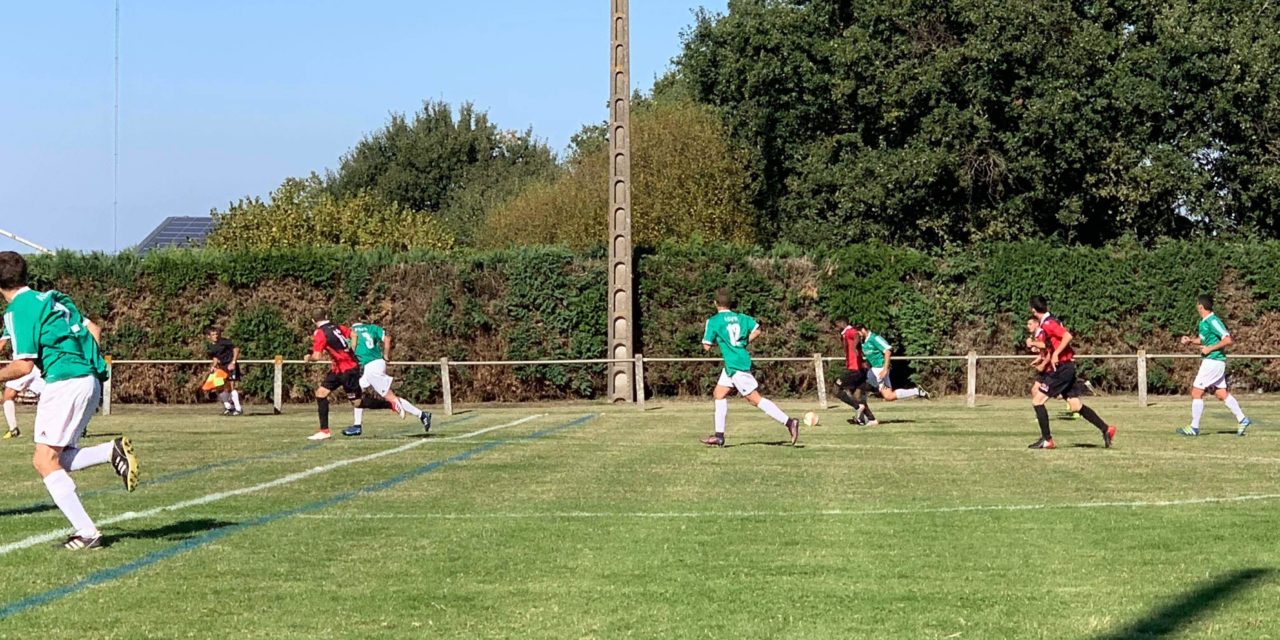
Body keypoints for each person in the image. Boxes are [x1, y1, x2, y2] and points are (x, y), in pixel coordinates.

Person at [0, 251, 137, 550]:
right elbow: (94, 329)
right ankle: (109, 452)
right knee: (58, 457)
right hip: (88, 380)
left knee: (43, 460)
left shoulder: (17, 310)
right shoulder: (50, 299)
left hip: (65, 382)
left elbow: (23, 366)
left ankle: (87, 533)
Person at [700, 289, 800, 447]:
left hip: (735, 364)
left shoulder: (714, 321)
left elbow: (706, 346)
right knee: (719, 393)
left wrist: (718, 341)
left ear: (715, 303)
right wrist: (743, 342)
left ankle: (789, 422)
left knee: (755, 399)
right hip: (736, 362)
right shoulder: (741, 317)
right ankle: (719, 435)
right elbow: (757, 329)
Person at [1027, 296, 1117, 449]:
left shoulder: (1049, 323)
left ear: (1033, 310)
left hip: (1062, 368)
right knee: (1075, 406)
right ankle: (1106, 429)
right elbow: (1055, 343)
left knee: (1037, 400)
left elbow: (1068, 336)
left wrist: (1055, 354)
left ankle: (1047, 440)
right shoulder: (1048, 322)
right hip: (1067, 367)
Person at [1177, 295, 1252, 437]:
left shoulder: (1213, 321)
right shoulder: (1204, 322)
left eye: (1197, 304)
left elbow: (1228, 340)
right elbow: (1204, 340)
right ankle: (1242, 419)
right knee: (1221, 393)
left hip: (1213, 361)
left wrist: (1210, 349)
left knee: (1196, 392)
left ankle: (1194, 427)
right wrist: (1191, 341)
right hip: (1213, 361)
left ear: (1200, 306)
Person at [344, 320, 432, 436]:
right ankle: (357, 426)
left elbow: (350, 349)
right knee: (357, 393)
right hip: (377, 363)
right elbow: (387, 338)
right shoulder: (372, 328)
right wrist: (386, 355)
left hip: (371, 367)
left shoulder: (351, 332)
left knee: (390, 398)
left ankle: (421, 414)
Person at [303, 311, 364, 441]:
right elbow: (354, 334)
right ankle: (324, 431)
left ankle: (390, 404)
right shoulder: (337, 326)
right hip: (338, 369)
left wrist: (309, 358)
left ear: (313, 321)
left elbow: (317, 357)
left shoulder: (320, 333)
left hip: (347, 369)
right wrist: (352, 348)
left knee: (357, 402)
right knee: (321, 393)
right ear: (326, 317)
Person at [856, 324, 929, 402]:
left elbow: (888, 351)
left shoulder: (875, 338)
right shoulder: (863, 341)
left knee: (887, 396)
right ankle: (916, 391)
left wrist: (885, 369)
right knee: (886, 396)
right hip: (873, 370)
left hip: (880, 369)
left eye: (858, 333)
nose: (857, 336)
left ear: (863, 330)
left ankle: (916, 391)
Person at [1, 329, 47, 439]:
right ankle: (13, 429)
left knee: (53, 397)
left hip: (31, 363)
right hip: (36, 363)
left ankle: (76, 426)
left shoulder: (15, 317)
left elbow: (1, 345)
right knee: (9, 393)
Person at [834, 319, 877, 426]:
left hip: (855, 370)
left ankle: (858, 407)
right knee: (857, 395)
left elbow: (857, 335)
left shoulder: (849, 331)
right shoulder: (845, 334)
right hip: (860, 370)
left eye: (836, 325)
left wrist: (854, 346)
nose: (835, 328)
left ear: (841, 323)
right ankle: (871, 419)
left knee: (836, 389)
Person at [204, 326, 243, 416]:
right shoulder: (211, 346)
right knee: (219, 386)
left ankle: (238, 409)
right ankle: (228, 407)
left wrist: (233, 362)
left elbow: (236, 349)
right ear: (208, 336)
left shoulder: (224, 341)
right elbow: (215, 357)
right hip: (221, 367)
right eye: (213, 334)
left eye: (216, 334)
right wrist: (214, 366)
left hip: (230, 366)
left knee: (232, 386)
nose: (215, 336)